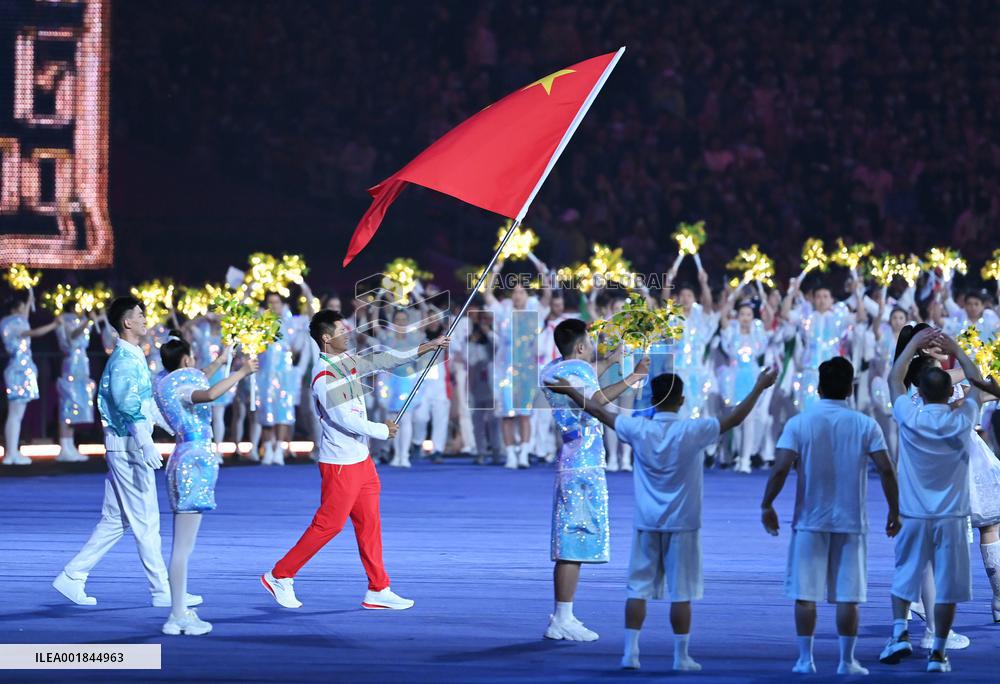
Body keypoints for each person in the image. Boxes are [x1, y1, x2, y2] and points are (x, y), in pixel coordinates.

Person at [549, 366, 776, 671]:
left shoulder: (639, 429)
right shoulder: (692, 430)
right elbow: (735, 418)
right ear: (681, 400)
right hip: (683, 525)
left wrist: (573, 392)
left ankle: (631, 652)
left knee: (637, 591)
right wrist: (760, 387)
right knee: (682, 594)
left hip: (647, 524)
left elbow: (601, 413)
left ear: (653, 400)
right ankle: (681, 656)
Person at [260, 309, 449, 609]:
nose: (347, 332)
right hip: (340, 464)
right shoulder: (324, 377)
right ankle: (280, 574)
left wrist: (423, 349)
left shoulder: (347, 361)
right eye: (340, 329)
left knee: (370, 525)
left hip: (362, 461)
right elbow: (345, 418)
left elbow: (383, 359)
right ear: (326, 338)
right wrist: (381, 430)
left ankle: (378, 588)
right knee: (329, 526)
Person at [52, 297, 200, 609]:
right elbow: (126, 405)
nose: (146, 320)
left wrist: (170, 424)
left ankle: (73, 575)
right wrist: (145, 441)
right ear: (126, 323)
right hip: (129, 448)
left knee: (115, 521)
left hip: (127, 446)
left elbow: (144, 404)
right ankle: (163, 591)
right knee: (147, 522)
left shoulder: (133, 357)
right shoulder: (123, 360)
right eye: (140, 315)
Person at [761, 357, 900, 675]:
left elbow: (781, 467)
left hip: (810, 519)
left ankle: (804, 659)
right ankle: (846, 660)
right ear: (851, 388)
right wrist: (894, 510)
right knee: (849, 596)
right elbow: (887, 471)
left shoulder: (800, 423)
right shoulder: (866, 424)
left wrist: (767, 504)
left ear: (819, 387)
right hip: (851, 520)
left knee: (804, 593)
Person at [538, 318, 649, 642]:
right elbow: (596, 400)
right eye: (591, 343)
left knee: (570, 540)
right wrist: (633, 376)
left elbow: (584, 380)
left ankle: (563, 614)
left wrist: (611, 361)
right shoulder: (577, 372)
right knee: (574, 541)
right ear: (582, 346)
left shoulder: (554, 369)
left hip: (570, 459)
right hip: (584, 465)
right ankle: (563, 617)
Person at [879, 328, 982, 673]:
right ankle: (938, 647)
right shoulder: (961, 418)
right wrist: (956, 349)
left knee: (908, 572)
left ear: (919, 391)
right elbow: (978, 382)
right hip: (951, 514)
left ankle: (900, 633)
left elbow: (894, 377)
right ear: (948, 392)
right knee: (947, 581)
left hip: (913, 509)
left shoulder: (910, 414)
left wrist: (910, 346)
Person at [154, 335, 259, 635]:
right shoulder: (183, 388)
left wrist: (223, 357)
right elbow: (209, 393)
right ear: (186, 360)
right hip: (193, 463)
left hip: (185, 457)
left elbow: (203, 376)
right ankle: (176, 615)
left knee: (182, 546)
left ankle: (179, 611)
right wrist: (241, 372)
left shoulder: (167, 382)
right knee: (182, 548)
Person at [2, 290, 58, 465]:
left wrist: (29, 302)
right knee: (15, 413)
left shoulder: (10, 322)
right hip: (19, 371)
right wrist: (53, 325)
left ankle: (13, 452)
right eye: (22, 306)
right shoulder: (14, 323)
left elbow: (24, 322)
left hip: (19, 369)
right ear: (15, 308)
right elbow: (31, 332)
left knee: (16, 414)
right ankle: (11, 453)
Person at [54, 308, 97, 462]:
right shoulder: (65, 321)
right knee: (68, 403)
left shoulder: (80, 321)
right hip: (71, 364)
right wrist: (87, 321)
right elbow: (72, 336)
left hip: (81, 364)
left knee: (76, 406)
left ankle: (70, 445)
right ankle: (64, 446)